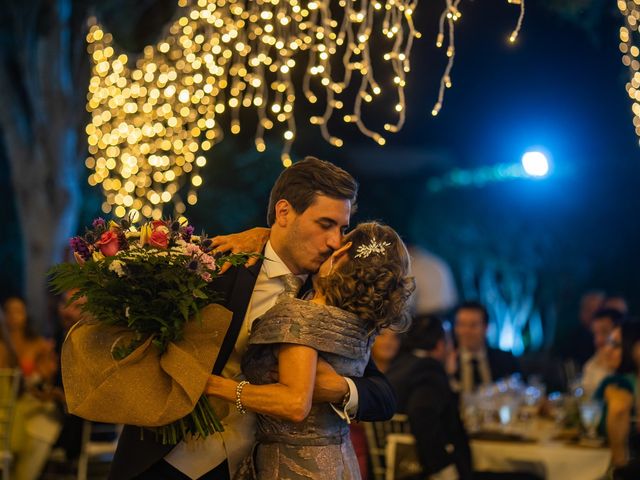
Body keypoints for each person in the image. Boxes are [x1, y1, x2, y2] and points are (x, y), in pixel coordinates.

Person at [110, 157, 400, 480]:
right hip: (168, 455)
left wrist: (339, 388)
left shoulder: (330, 294)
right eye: (325, 224)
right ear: (284, 213)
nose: (335, 241)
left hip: (251, 467)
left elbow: (384, 396)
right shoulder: (220, 265)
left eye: (342, 228)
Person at [205, 222, 413, 479]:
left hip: (293, 466)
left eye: (340, 233)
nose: (331, 241)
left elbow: (295, 404)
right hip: (342, 464)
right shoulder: (361, 325)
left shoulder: (301, 313)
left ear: (340, 254)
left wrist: (212, 385)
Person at [388, 314, 473, 480]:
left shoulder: (400, 365)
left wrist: (449, 376)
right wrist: (445, 471)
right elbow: (422, 414)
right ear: (441, 345)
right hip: (420, 470)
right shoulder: (429, 370)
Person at [593, 321, 640, 476]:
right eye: (608, 344)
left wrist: (618, 468)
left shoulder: (619, 385)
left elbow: (618, 411)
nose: (606, 350)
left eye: (616, 345)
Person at [450, 300, 520, 394]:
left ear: (486, 327)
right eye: (461, 325)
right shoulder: (448, 364)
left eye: (473, 325)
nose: (466, 331)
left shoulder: (505, 360)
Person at [582, 308, 625, 398]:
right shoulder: (593, 363)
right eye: (595, 334)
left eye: (604, 332)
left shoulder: (631, 369)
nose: (598, 340)